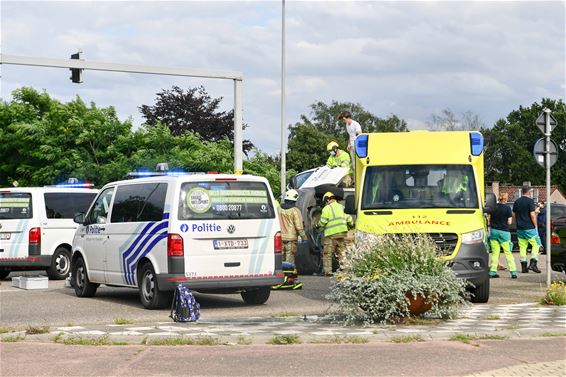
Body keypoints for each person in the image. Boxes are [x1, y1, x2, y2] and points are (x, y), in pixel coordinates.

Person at [317, 192, 354, 276]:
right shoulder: (341, 207)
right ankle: (345, 269)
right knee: (342, 252)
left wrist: (317, 225)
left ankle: (328, 271)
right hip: (342, 233)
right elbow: (349, 218)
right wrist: (350, 225)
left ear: (327, 199)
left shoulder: (326, 208)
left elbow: (323, 222)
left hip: (331, 235)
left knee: (327, 253)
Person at [512, 186, 541, 273]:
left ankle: (524, 267)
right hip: (529, 227)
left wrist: (518, 222)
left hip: (520, 228)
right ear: (528, 192)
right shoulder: (530, 201)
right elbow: (532, 215)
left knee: (522, 247)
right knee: (536, 244)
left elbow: (513, 214)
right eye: (531, 192)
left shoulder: (517, 201)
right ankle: (533, 263)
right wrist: (535, 225)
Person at [488, 193, 517, 279]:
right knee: (508, 253)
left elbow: (489, 219)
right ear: (506, 199)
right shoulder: (507, 208)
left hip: (494, 232)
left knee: (495, 253)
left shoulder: (493, 207)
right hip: (504, 232)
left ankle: (493, 271)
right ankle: (513, 272)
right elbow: (509, 222)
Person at [277, 189, 307, 265]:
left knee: (280, 259)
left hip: (280, 238)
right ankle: (288, 275)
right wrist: (304, 238)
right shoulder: (295, 211)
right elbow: (299, 227)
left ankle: (281, 275)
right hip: (291, 239)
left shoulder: (278, 209)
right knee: (289, 260)